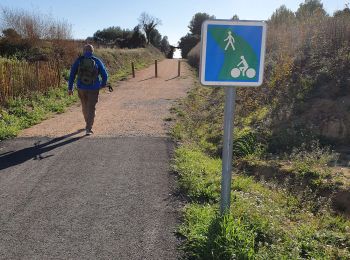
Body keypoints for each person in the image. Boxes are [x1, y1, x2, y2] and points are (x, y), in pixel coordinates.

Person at [68, 44, 108, 135]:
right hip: (94, 87)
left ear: (83, 51)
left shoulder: (78, 61)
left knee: (84, 106)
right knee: (91, 107)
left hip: (81, 87)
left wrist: (70, 88)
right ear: (92, 51)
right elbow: (105, 75)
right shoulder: (97, 61)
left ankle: (87, 123)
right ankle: (88, 128)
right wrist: (102, 84)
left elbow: (72, 75)